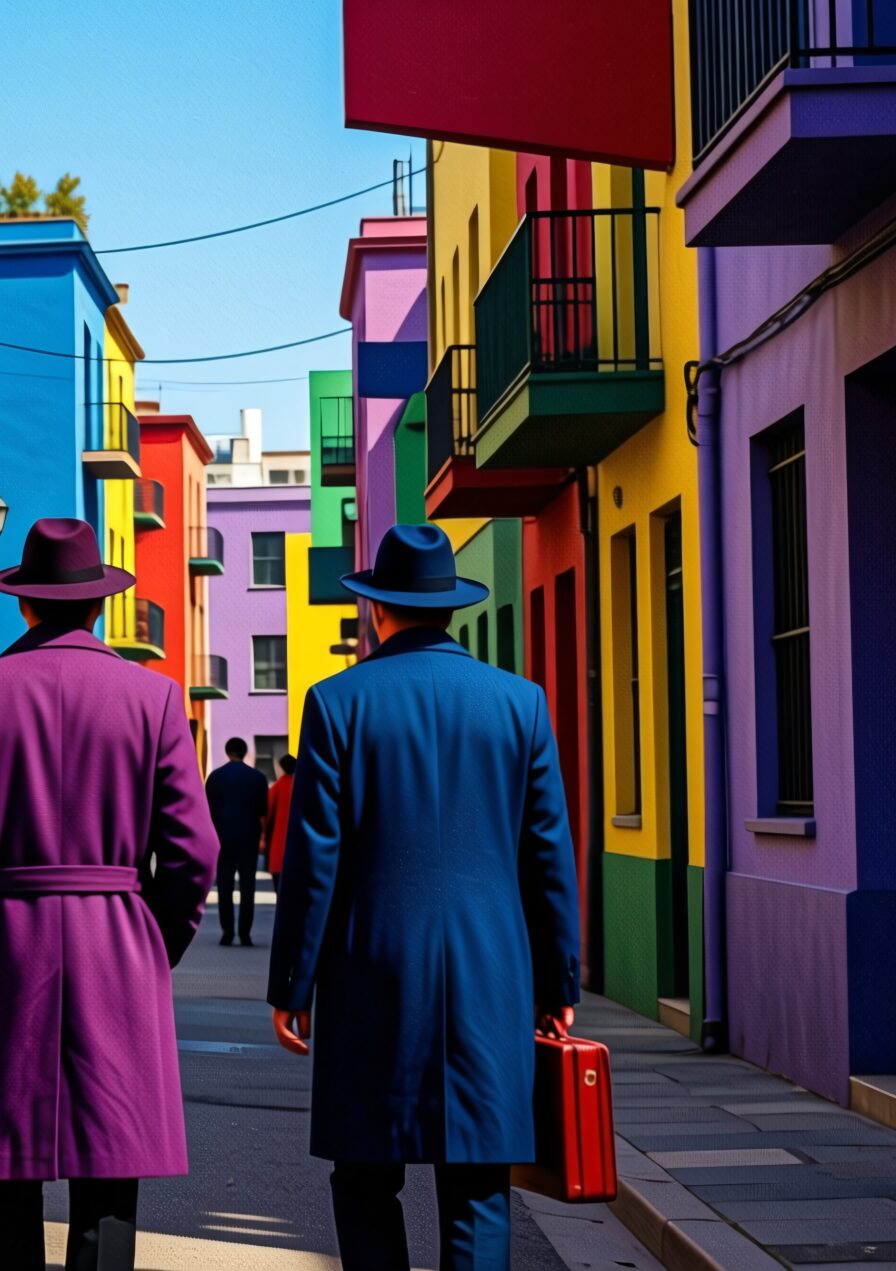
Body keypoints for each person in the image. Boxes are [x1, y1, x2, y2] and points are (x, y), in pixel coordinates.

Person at [0, 518, 218, 1271]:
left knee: (6, 1161)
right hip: (117, 940)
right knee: (108, 1167)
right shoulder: (154, 698)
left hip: (4, 942)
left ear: (23, 605)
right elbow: (193, 849)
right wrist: (153, 940)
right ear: (100, 607)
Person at [266, 524, 581, 1271]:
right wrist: (558, 982)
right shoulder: (520, 704)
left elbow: (315, 860)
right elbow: (549, 858)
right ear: (450, 610)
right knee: (478, 1186)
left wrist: (292, 984)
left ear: (378, 609)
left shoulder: (337, 702)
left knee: (367, 1177)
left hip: (372, 975)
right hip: (492, 978)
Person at [203, 737, 272, 945]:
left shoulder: (215, 778)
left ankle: (227, 932)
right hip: (249, 838)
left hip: (222, 839)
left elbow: (207, 813)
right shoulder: (258, 778)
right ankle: (244, 933)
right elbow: (263, 812)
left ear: (227, 751)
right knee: (247, 886)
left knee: (224, 886)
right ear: (245, 752)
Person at [264, 753, 298, 883]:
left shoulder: (277, 787)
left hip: (278, 841)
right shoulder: (301, 785)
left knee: (279, 883)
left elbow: (267, 813)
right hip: (298, 841)